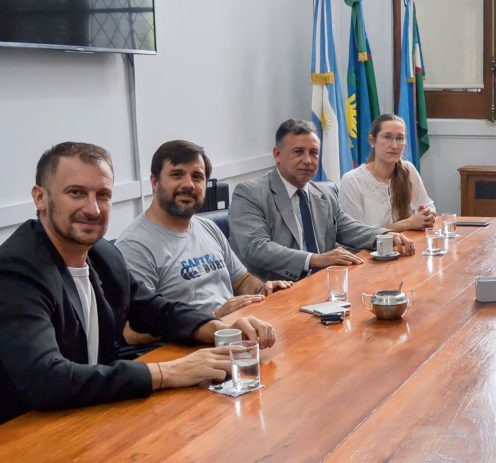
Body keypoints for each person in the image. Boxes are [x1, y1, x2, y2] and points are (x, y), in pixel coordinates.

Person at [0, 142, 276, 424]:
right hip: (25, 435)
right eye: (76, 193)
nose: (93, 209)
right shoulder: (15, 270)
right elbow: (46, 379)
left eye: (103, 195)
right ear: (40, 198)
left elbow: (155, 309)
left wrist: (221, 329)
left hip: (93, 414)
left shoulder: (103, 254)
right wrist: (167, 372)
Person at [116, 140, 293, 325]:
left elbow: (241, 280)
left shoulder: (207, 227)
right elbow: (132, 331)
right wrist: (212, 318)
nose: (189, 185)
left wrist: (262, 291)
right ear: (155, 183)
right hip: (187, 348)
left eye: (197, 177)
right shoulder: (135, 246)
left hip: (232, 334)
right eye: (177, 175)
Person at [229, 119, 415, 282]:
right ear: (277, 155)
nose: (308, 160)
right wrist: (315, 259)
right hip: (276, 293)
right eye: (298, 152)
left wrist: (384, 235)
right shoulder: (250, 193)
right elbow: (256, 248)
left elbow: (349, 228)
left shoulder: (324, 193)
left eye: (314, 153)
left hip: (325, 285)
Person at [339, 114, 436, 230]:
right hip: (369, 248)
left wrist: (427, 214)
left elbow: (428, 204)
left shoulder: (408, 170)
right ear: (372, 140)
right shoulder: (352, 180)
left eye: (400, 138)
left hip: (407, 245)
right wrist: (408, 223)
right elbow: (355, 235)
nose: (394, 146)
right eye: (387, 137)